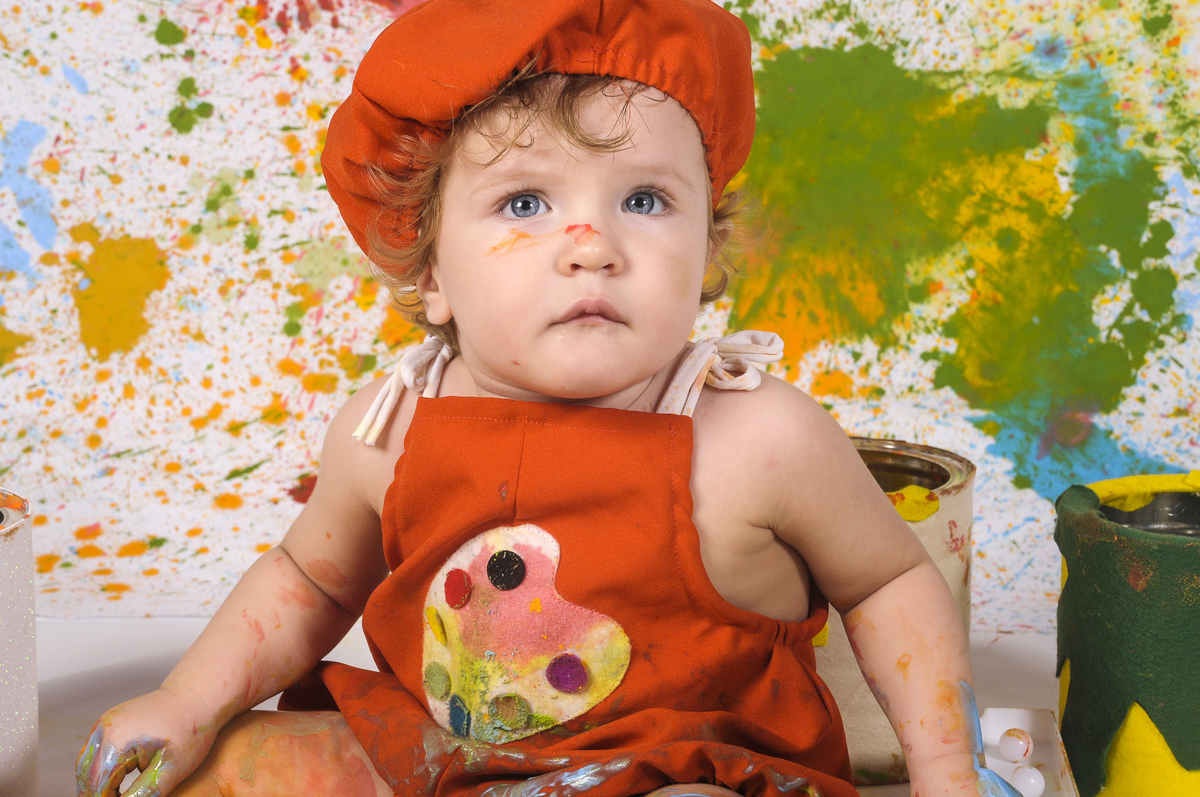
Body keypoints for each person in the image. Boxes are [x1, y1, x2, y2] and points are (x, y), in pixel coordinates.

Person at [76, 1, 980, 795]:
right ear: (430, 269)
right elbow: (307, 581)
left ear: (708, 247)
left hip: (686, 768)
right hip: (444, 760)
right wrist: (187, 700)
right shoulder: (385, 428)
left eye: (645, 199)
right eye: (523, 204)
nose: (591, 245)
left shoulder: (761, 435)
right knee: (229, 764)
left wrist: (947, 771)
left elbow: (889, 580)